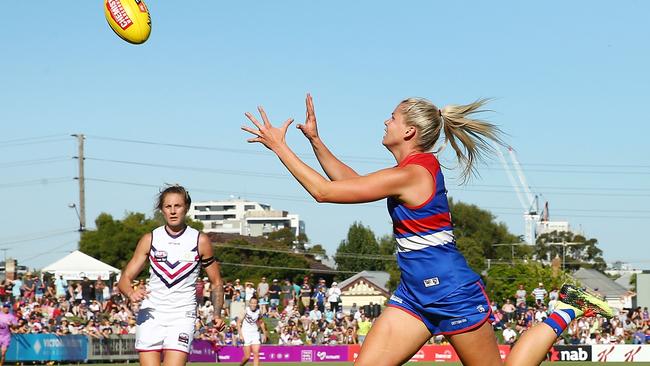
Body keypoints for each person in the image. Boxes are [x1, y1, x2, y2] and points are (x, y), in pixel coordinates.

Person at [242, 94, 614, 365]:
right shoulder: (407, 171)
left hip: (453, 292)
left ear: (409, 131)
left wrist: (280, 146)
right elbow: (351, 184)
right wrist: (316, 142)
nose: (385, 122)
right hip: (415, 296)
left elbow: (325, 193)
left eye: (391, 117)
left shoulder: (415, 172)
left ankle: (566, 307)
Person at [117, 185, 225, 366]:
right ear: (161, 209)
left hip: (182, 315)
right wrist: (131, 293)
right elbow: (124, 279)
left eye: (178, 206)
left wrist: (216, 313)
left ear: (187, 208)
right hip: (151, 314)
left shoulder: (200, 240)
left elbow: (216, 282)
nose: (173, 211)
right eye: (168, 206)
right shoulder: (150, 239)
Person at [237, 297, 267, 366]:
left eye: (255, 303)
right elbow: (238, 323)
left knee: (256, 353)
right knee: (247, 357)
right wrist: (240, 335)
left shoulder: (259, 311)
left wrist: (264, 334)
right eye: (252, 303)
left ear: (257, 304)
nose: (253, 304)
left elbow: (261, 322)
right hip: (245, 334)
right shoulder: (245, 310)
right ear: (249, 303)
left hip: (255, 334)